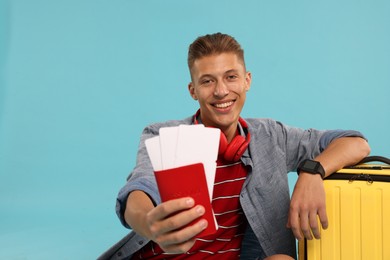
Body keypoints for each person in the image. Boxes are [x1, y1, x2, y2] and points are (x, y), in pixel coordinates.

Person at [99, 33, 370, 260]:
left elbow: (355, 143)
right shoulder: (162, 134)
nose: (221, 91)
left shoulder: (272, 137)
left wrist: (312, 171)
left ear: (246, 80)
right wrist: (149, 223)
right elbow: (138, 190)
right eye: (207, 81)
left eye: (231, 77)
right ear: (193, 90)